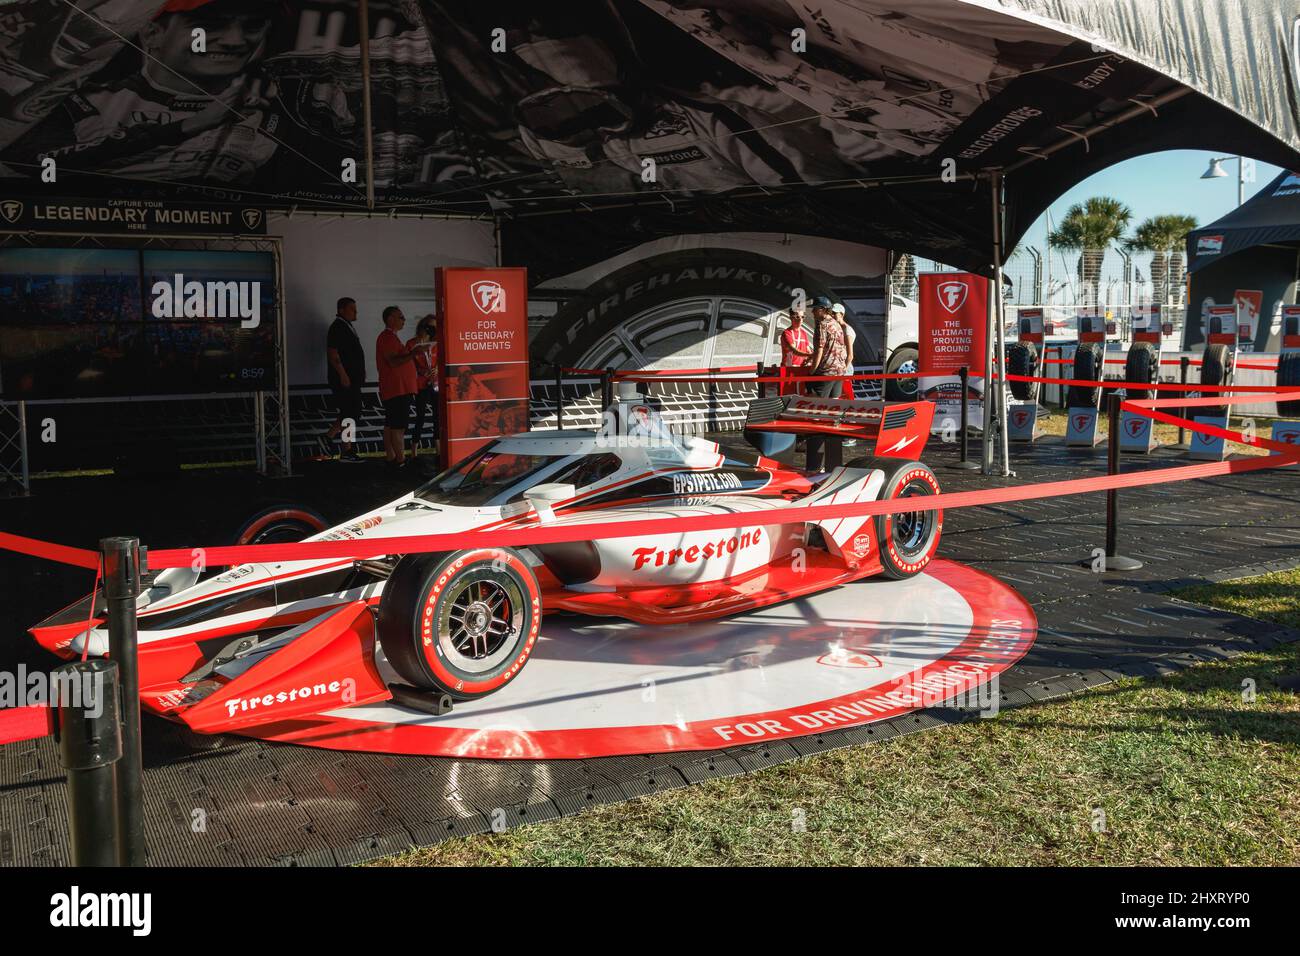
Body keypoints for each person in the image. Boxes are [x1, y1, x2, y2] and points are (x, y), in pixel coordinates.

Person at [805, 296, 850, 471]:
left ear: (823, 310)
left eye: (815, 308)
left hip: (825, 372)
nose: (813, 311)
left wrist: (812, 372)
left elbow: (819, 350)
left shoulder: (822, 325)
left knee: (816, 414)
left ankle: (815, 465)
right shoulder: (837, 324)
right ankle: (833, 465)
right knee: (833, 415)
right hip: (839, 372)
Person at [375, 306, 421, 468]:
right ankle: (400, 460)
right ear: (390, 319)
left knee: (391, 424)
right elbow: (393, 362)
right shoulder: (387, 338)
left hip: (397, 389)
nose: (404, 320)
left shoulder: (391, 338)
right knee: (398, 427)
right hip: (397, 389)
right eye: (401, 317)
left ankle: (392, 457)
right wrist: (413, 354)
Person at [321, 296, 364, 463]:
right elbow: (333, 353)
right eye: (352, 308)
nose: (356, 312)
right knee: (349, 413)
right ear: (341, 310)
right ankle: (346, 450)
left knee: (351, 412)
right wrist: (342, 374)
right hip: (344, 380)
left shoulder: (347, 326)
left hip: (352, 379)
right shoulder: (337, 327)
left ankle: (329, 437)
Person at [409, 314, 439, 459]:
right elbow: (407, 363)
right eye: (429, 326)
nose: (431, 330)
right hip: (420, 384)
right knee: (420, 417)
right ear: (422, 326)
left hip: (435, 383)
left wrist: (437, 369)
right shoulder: (411, 344)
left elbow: (443, 359)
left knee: (437, 417)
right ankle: (414, 451)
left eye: (434, 327)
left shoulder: (437, 343)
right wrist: (420, 370)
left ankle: (438, 450)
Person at [779, 302, 814, 395]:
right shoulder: (787, 333)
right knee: (789, 396)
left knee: (802, 395)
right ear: (791, 317)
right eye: (797, 317)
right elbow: (794, 351)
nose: (800, 320)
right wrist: (811, 355)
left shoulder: (803, 333)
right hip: (789, 370)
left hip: (802, 370)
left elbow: (808, 350)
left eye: (802, 317)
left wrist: (812, 357)